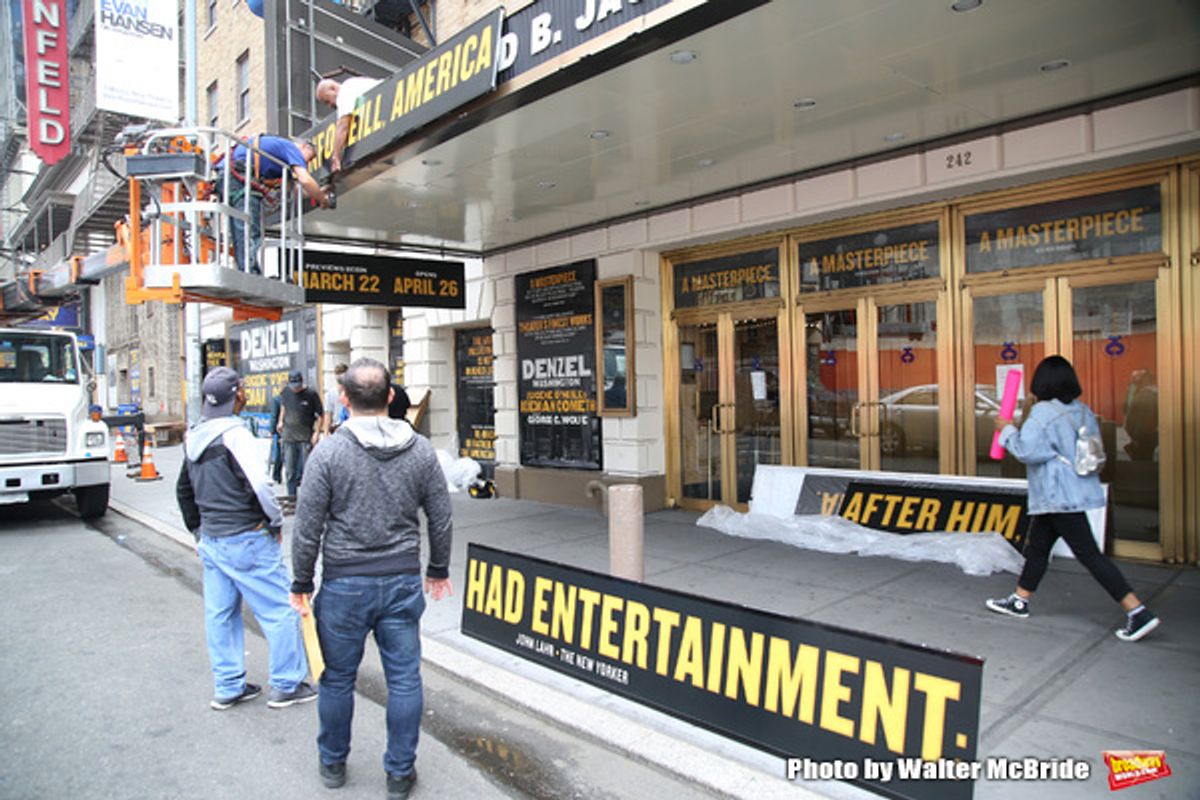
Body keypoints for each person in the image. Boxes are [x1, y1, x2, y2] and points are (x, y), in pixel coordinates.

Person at [290, 359, 452, 798]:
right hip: (400, 581)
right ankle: (400, 773)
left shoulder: (328, 452)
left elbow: (308, 526)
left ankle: (333, 764)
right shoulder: (419, 450)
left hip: (343, 585)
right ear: (388, 397)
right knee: (404, 679)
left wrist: (301, 583)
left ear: (344, 399)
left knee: (338, 678)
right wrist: (438, 568)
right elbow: (440, 514)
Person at [985, 355, 1160, 642]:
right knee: (1039, 547)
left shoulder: (1042, 413)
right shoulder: (1082, 411)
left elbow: (1028, 450)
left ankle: (1137, 610)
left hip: (1057, 493)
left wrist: (1005, 430)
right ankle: (1019, 600)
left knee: (1088, 554)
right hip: (1074, 490)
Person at [175, 367, 317, 710]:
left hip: (213, 539)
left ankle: (228, 685)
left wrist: (198, 531)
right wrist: (274, 521)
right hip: (247, 538)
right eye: (241, 390)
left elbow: (183, 491)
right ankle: (286, 683)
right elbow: (260, 485)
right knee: (280, 610)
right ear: (237, 395)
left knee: (221, 615)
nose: (244, 394)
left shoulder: (193, 437)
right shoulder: (235, 435)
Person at [225, 136, 331, 274]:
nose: (307, 163)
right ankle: (249, 272)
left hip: (230, 178)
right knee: (249, 230)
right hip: (241, 179)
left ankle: (243, 270)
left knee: (240, 229)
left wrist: (316, 193)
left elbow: (295, 189)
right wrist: (323, 199)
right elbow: (304, 180)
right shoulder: (291, 148)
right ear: (304, 146)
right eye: (310, 158)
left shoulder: (280, 162)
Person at [315, 76, 383, 174]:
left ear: (333, 88)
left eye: (327, 101)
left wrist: (336, 157)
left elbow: (343, 125)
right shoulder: (352, 85)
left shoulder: (344, 92)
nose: (329, 105)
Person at [278, 371, 323, 500]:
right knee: (290, 469)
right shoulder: (286, 392)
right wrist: (280, 421)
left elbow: (320, 415)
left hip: (305, 436)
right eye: (293, 386)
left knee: (307, 469)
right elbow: (283, 407)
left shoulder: (311, 394)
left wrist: (316, 432)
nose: (295, 389)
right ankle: (292, 496)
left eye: (297, 386)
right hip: (289, 436)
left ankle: (307, 497)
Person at [1122, 368, 1158, 461]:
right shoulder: (1154, 394)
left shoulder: (1144, 395)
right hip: (1149, 433)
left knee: (1140, 459)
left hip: (1141, 434)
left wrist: (1133, 433)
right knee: (1147, 457)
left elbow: (1137, 416)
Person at [322, 362, 349, 437]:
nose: (341, 383)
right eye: (339, 381)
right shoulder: (330, 394)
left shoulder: (353, 392)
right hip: (336, 429)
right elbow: (328, 414)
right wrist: (326, 433)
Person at [268, 389, 284, 484]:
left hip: (280, 430)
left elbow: (273, 416)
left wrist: (271, 431)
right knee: (280, 454)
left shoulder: (276, 400)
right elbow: (274, 416)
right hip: (283, 429)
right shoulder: (278, 400)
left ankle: (277, 475)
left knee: (279, 453)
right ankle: (276, 474)